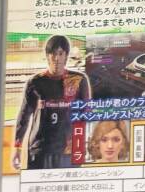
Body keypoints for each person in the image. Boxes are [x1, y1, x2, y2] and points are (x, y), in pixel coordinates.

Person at [12, 34, 92, 170]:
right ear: (47, 56)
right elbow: (23, 117)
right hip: (40, 150)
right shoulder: (35, 82)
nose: (57, 58)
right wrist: (17, 148)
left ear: (66, 56)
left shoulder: (79, 79)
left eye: (60, 53)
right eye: (53, 53)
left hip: (68, 150)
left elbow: (87, 114)